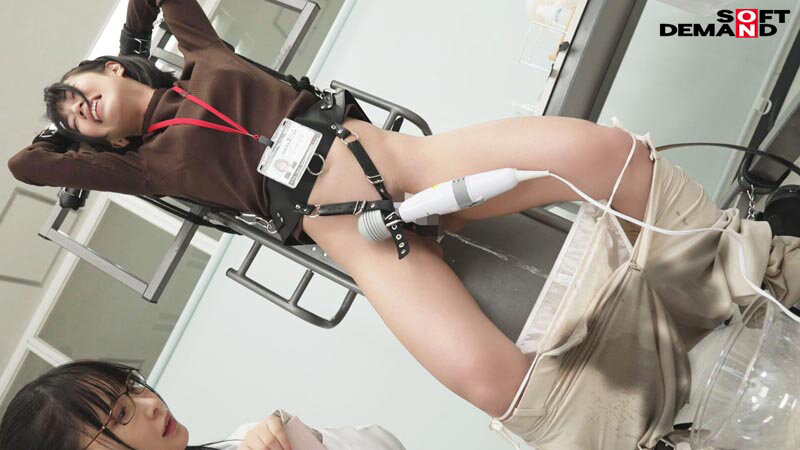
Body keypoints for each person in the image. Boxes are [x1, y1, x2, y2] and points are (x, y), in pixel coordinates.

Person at [7, 1, 799, 448]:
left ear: (112, 68)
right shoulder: (142, 166)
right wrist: (68, 135)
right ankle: (647, 437)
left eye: (82, 89)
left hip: (407, 166)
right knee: (491, 379)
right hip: (352, 234)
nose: (80, 107)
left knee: (604, 153)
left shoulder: (203, 52)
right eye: (74, 118)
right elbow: (27, 168)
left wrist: (134, 36)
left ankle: (756, 272)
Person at [0, 360, 405, 450]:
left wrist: (304, 438)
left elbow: (387, 444)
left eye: (134, 387)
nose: (151, 403)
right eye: (121, 414)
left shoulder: (245, 442)